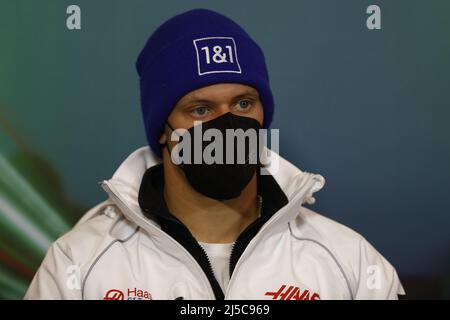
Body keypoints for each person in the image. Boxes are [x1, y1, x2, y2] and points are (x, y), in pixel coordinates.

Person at [25, 8, 404, 300]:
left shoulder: (349, 262)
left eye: (243, 103)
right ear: (163, 130)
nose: (228, 126)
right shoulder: (81, 264)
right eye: (200, 110)